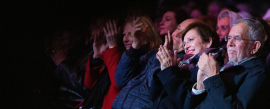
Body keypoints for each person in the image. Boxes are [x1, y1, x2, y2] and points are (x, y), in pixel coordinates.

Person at [184, 19, 270, 109]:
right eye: (229, 38)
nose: (230, 43)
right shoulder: (226, 67)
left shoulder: (259, 73)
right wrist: (199, 87)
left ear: (255, 47)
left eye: (237, 38)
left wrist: (212, 77)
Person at [150, 22, 223, 109]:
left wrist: (169, 71)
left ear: (208, 42)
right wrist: (163, 69)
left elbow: (185, 101)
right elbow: (154, 96)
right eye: (184, 44)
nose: (186, 47)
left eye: (191, 40)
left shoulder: (213, 67)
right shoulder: (184, 65)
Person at [111, 16, 162, 109]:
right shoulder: (131, 57)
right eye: (124, 35)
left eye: (130, 34)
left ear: (147, 35)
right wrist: (134, 48)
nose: (125, 39)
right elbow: (119, 81)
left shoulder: (157, 57)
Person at [81, 19, 124, 109]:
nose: (126, 38)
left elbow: (117, 83)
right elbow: (89, 84)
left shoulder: (123, 55)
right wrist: (97, 55)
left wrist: (113, 47)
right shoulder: (107, 53)